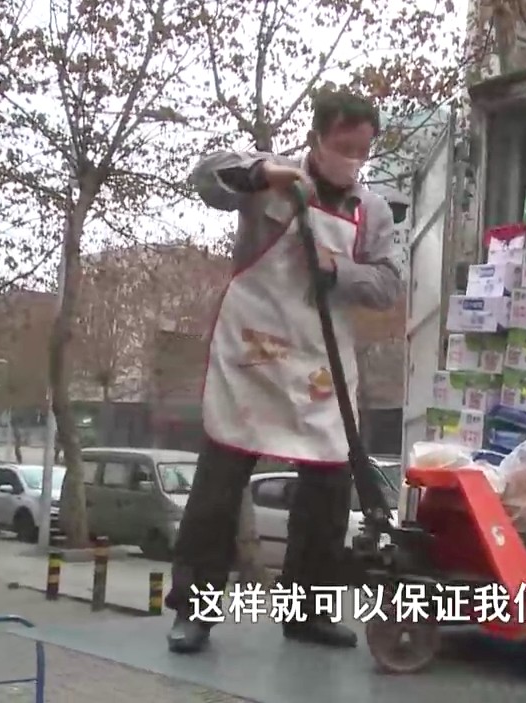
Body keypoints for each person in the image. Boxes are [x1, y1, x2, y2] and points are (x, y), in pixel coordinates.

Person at [165, 90, 403, 654]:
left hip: (320, 362)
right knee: (218, 489)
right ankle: (195, 610)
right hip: (252, 356)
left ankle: (308, 613)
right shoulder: (271, 180)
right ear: (317, 137)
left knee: (327, 492)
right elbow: (206, 177)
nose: (352, 159)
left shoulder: (371, 211)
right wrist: (262, 173)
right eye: (343, 146)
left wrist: (339, 269)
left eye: (362, 150)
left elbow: (388, 285)